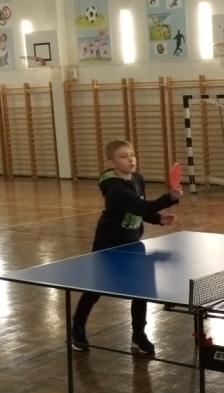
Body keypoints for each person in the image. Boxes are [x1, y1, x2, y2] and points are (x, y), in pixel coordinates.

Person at [71, 140, 181, 354]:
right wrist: (169, 198)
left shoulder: (138, 179)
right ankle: (77, 330)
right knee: (95, 289)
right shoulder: (115, 188)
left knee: (141, 290)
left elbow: (141, 210)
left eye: (132, 154)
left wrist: (157, 218)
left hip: (133, 243)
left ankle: (139, 336)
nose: (130, 159)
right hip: (108, 244)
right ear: (111, 162)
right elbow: (139, 205)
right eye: (123, 156)